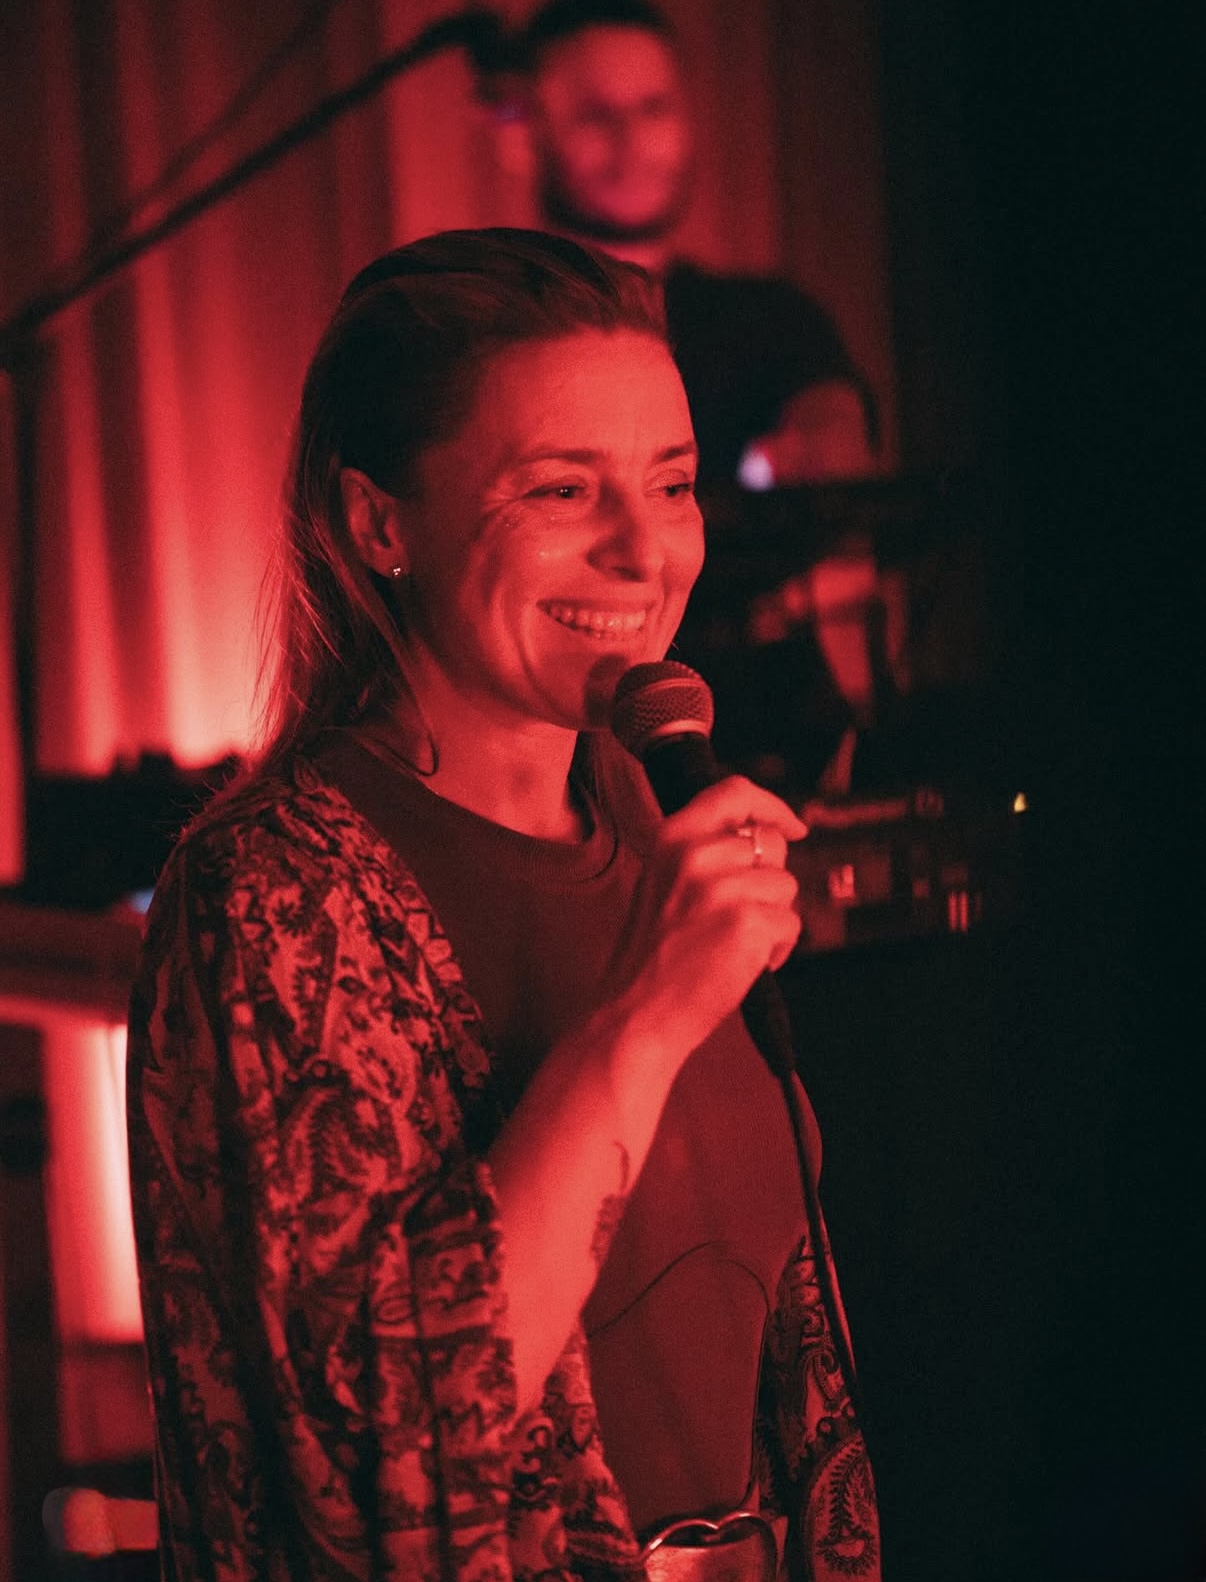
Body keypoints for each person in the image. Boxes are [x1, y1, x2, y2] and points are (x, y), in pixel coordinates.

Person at [126, 228, 880, 1580]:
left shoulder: (649, 817)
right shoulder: (276, 890)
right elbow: (380, 1459)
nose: (643, 551)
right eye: (561, 490)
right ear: (379, 523)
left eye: (671, 482)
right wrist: (643, 1018)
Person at [514, 0, 908, 788]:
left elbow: (830, 427)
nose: (631, 140)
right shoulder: (492, 340)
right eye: (596, 115)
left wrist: (822, 441)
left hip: (766, 752)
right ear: (521, 135)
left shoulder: (770, 320)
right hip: (552, 764)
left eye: (653, 108)